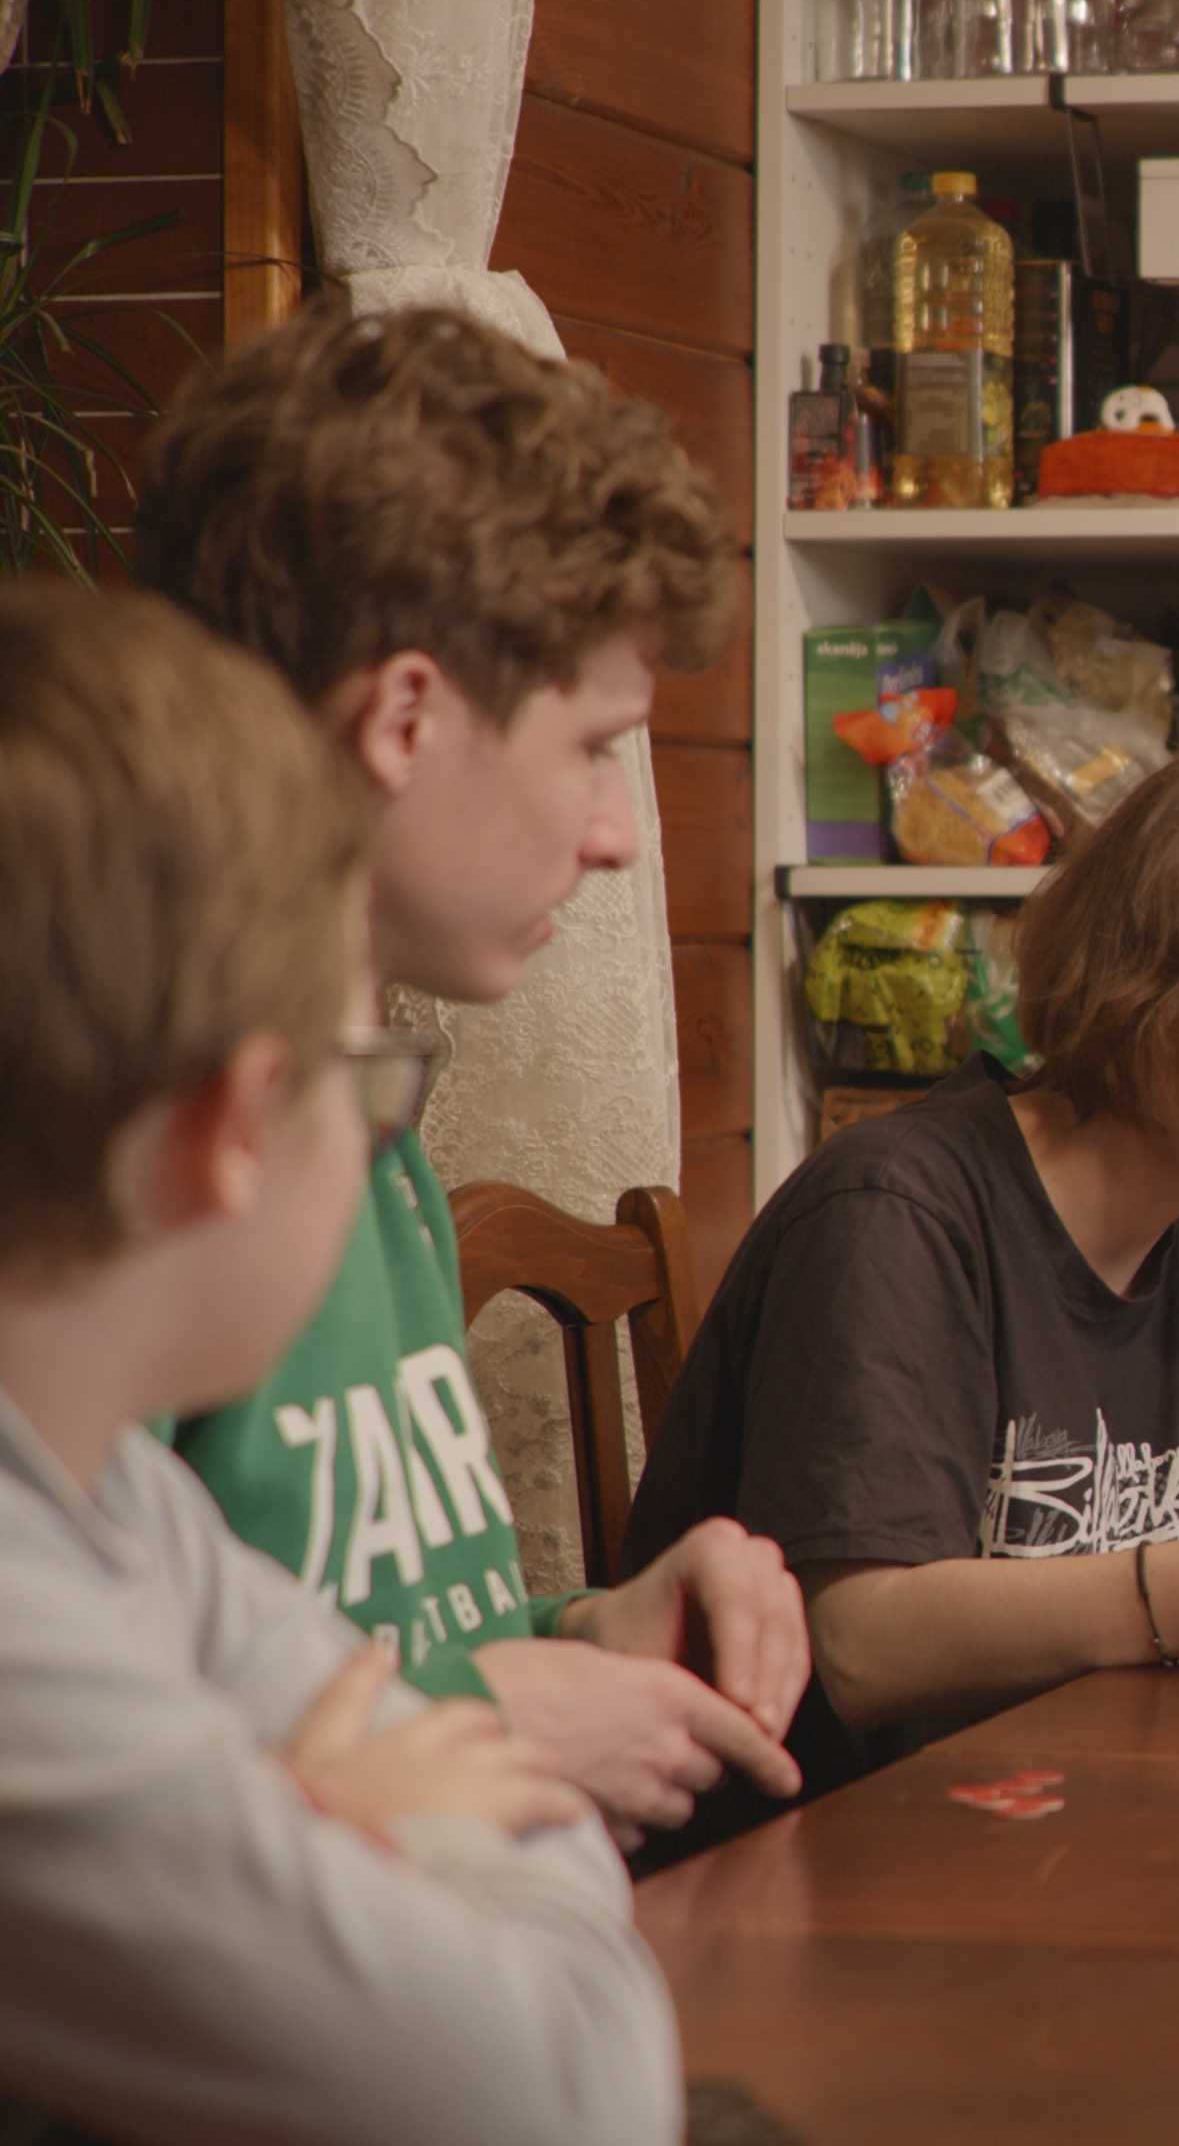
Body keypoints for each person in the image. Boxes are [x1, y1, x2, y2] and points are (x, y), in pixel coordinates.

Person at [0, 584, 677, 2146]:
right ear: (236, 1131)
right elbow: (571, 2092)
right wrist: (422, 1827)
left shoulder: (110, 1500)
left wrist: (350, 1820)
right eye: (366, 1078)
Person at [129, 303, 813, 1850]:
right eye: (594, 747)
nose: (617, 834)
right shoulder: (121, 1155)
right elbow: (72, 1760)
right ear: (406, 716)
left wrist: (594, 1637)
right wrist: (493, 1719)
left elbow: (390, 1632)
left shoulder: (371, 1127)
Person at [620, 744, 1179, 1846]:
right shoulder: (896, 1214)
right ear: (1145, 980)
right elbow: (863, 1643)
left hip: (1082, 1839)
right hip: (827, 1869)